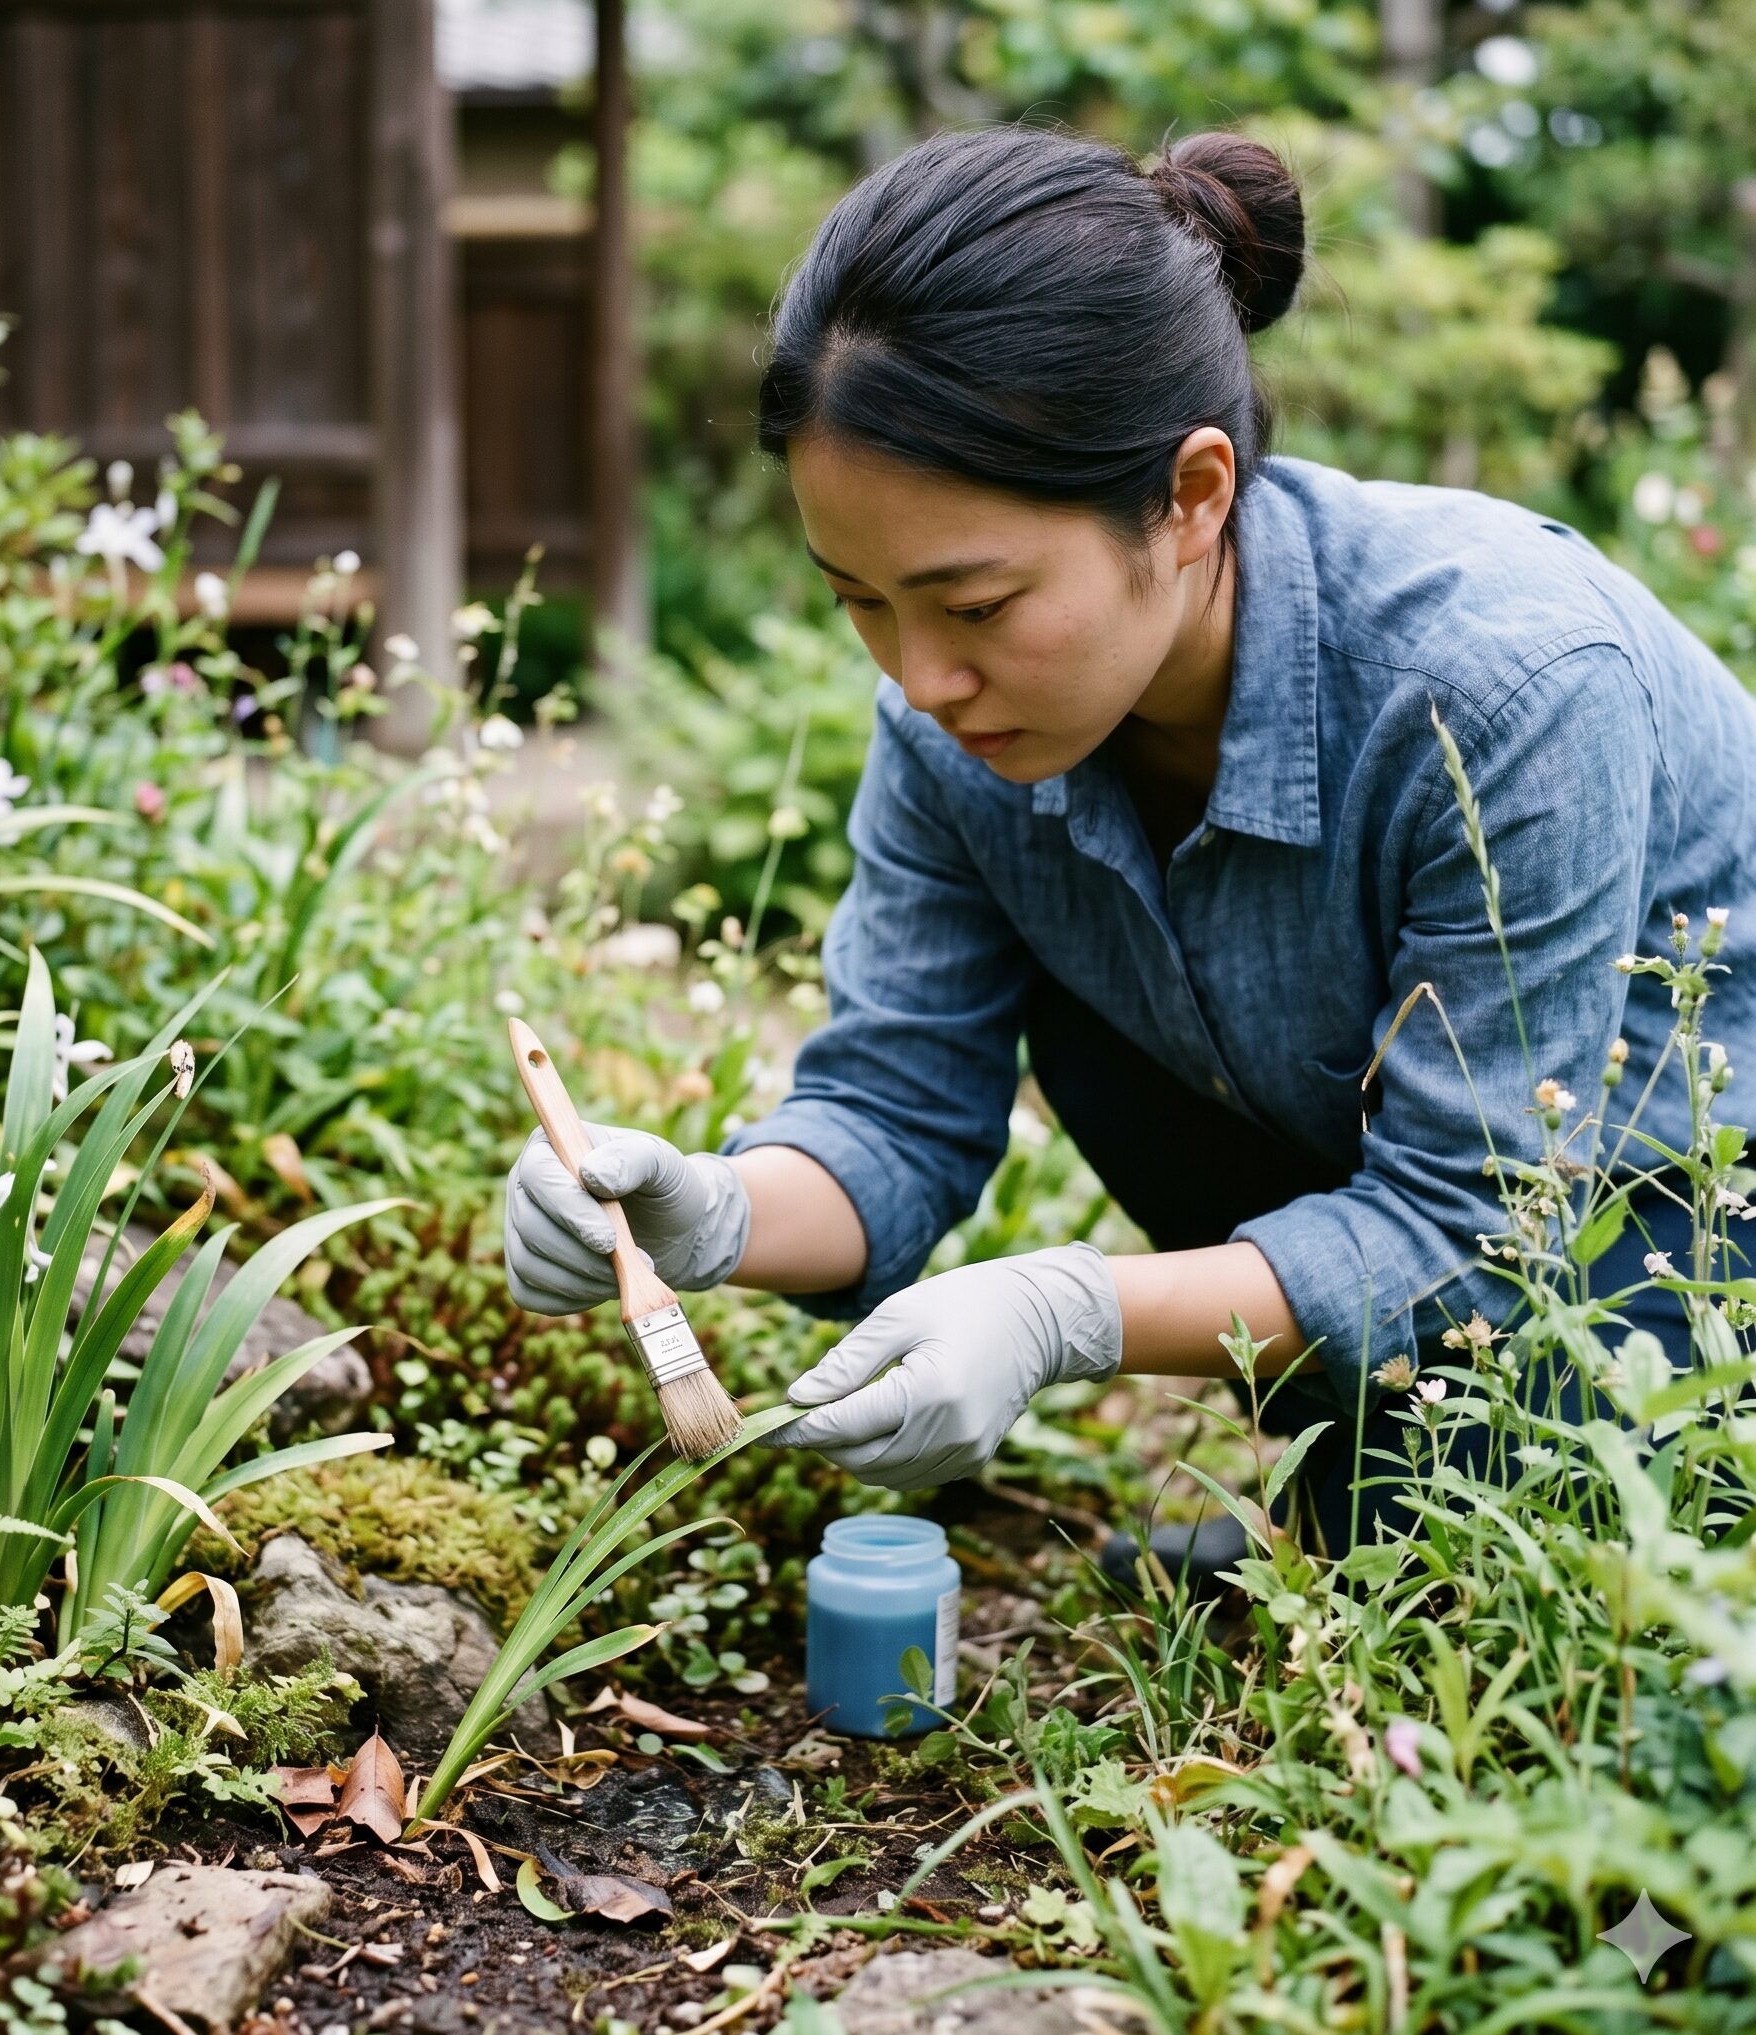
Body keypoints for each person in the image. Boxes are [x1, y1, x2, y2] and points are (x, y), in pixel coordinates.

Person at [503, 124, 1756, 1564]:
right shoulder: (951, 730)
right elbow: (898, 1112)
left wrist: (1064, 1314)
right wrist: (707, 1213)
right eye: (858, 598)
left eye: (974, 606)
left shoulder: (1503, 687)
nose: (919, 679)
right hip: (1449, 1231)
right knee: (1103, 1025)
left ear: (1193, 496)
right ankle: (1387, 1487)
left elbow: (1477, 1231)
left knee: (1583, 1536)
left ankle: (1431, 1499)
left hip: (1686, 1244)